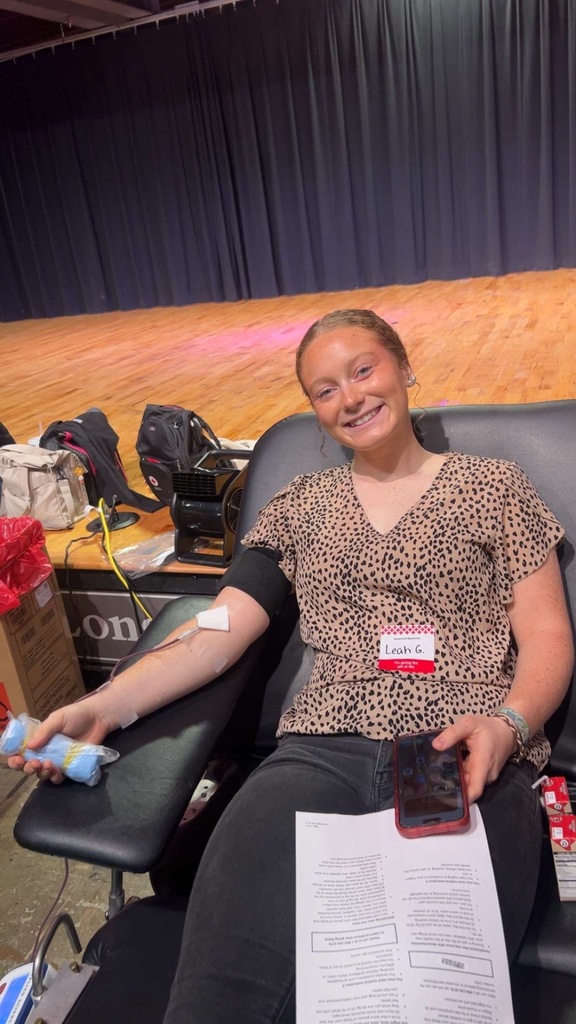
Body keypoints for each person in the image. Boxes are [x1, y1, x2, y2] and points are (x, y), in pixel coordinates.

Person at [8, 309, 574, 1023]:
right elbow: (218, 632)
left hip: (462, 751)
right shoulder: (300, 505)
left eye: (364, 370)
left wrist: (508, 723)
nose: (351, 397)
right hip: (319, 753)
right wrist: (106, 705)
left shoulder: (494, 487)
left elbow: (548, 634)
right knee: (222, 997)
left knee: (434, 998)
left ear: (403, 368)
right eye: (324, 389)